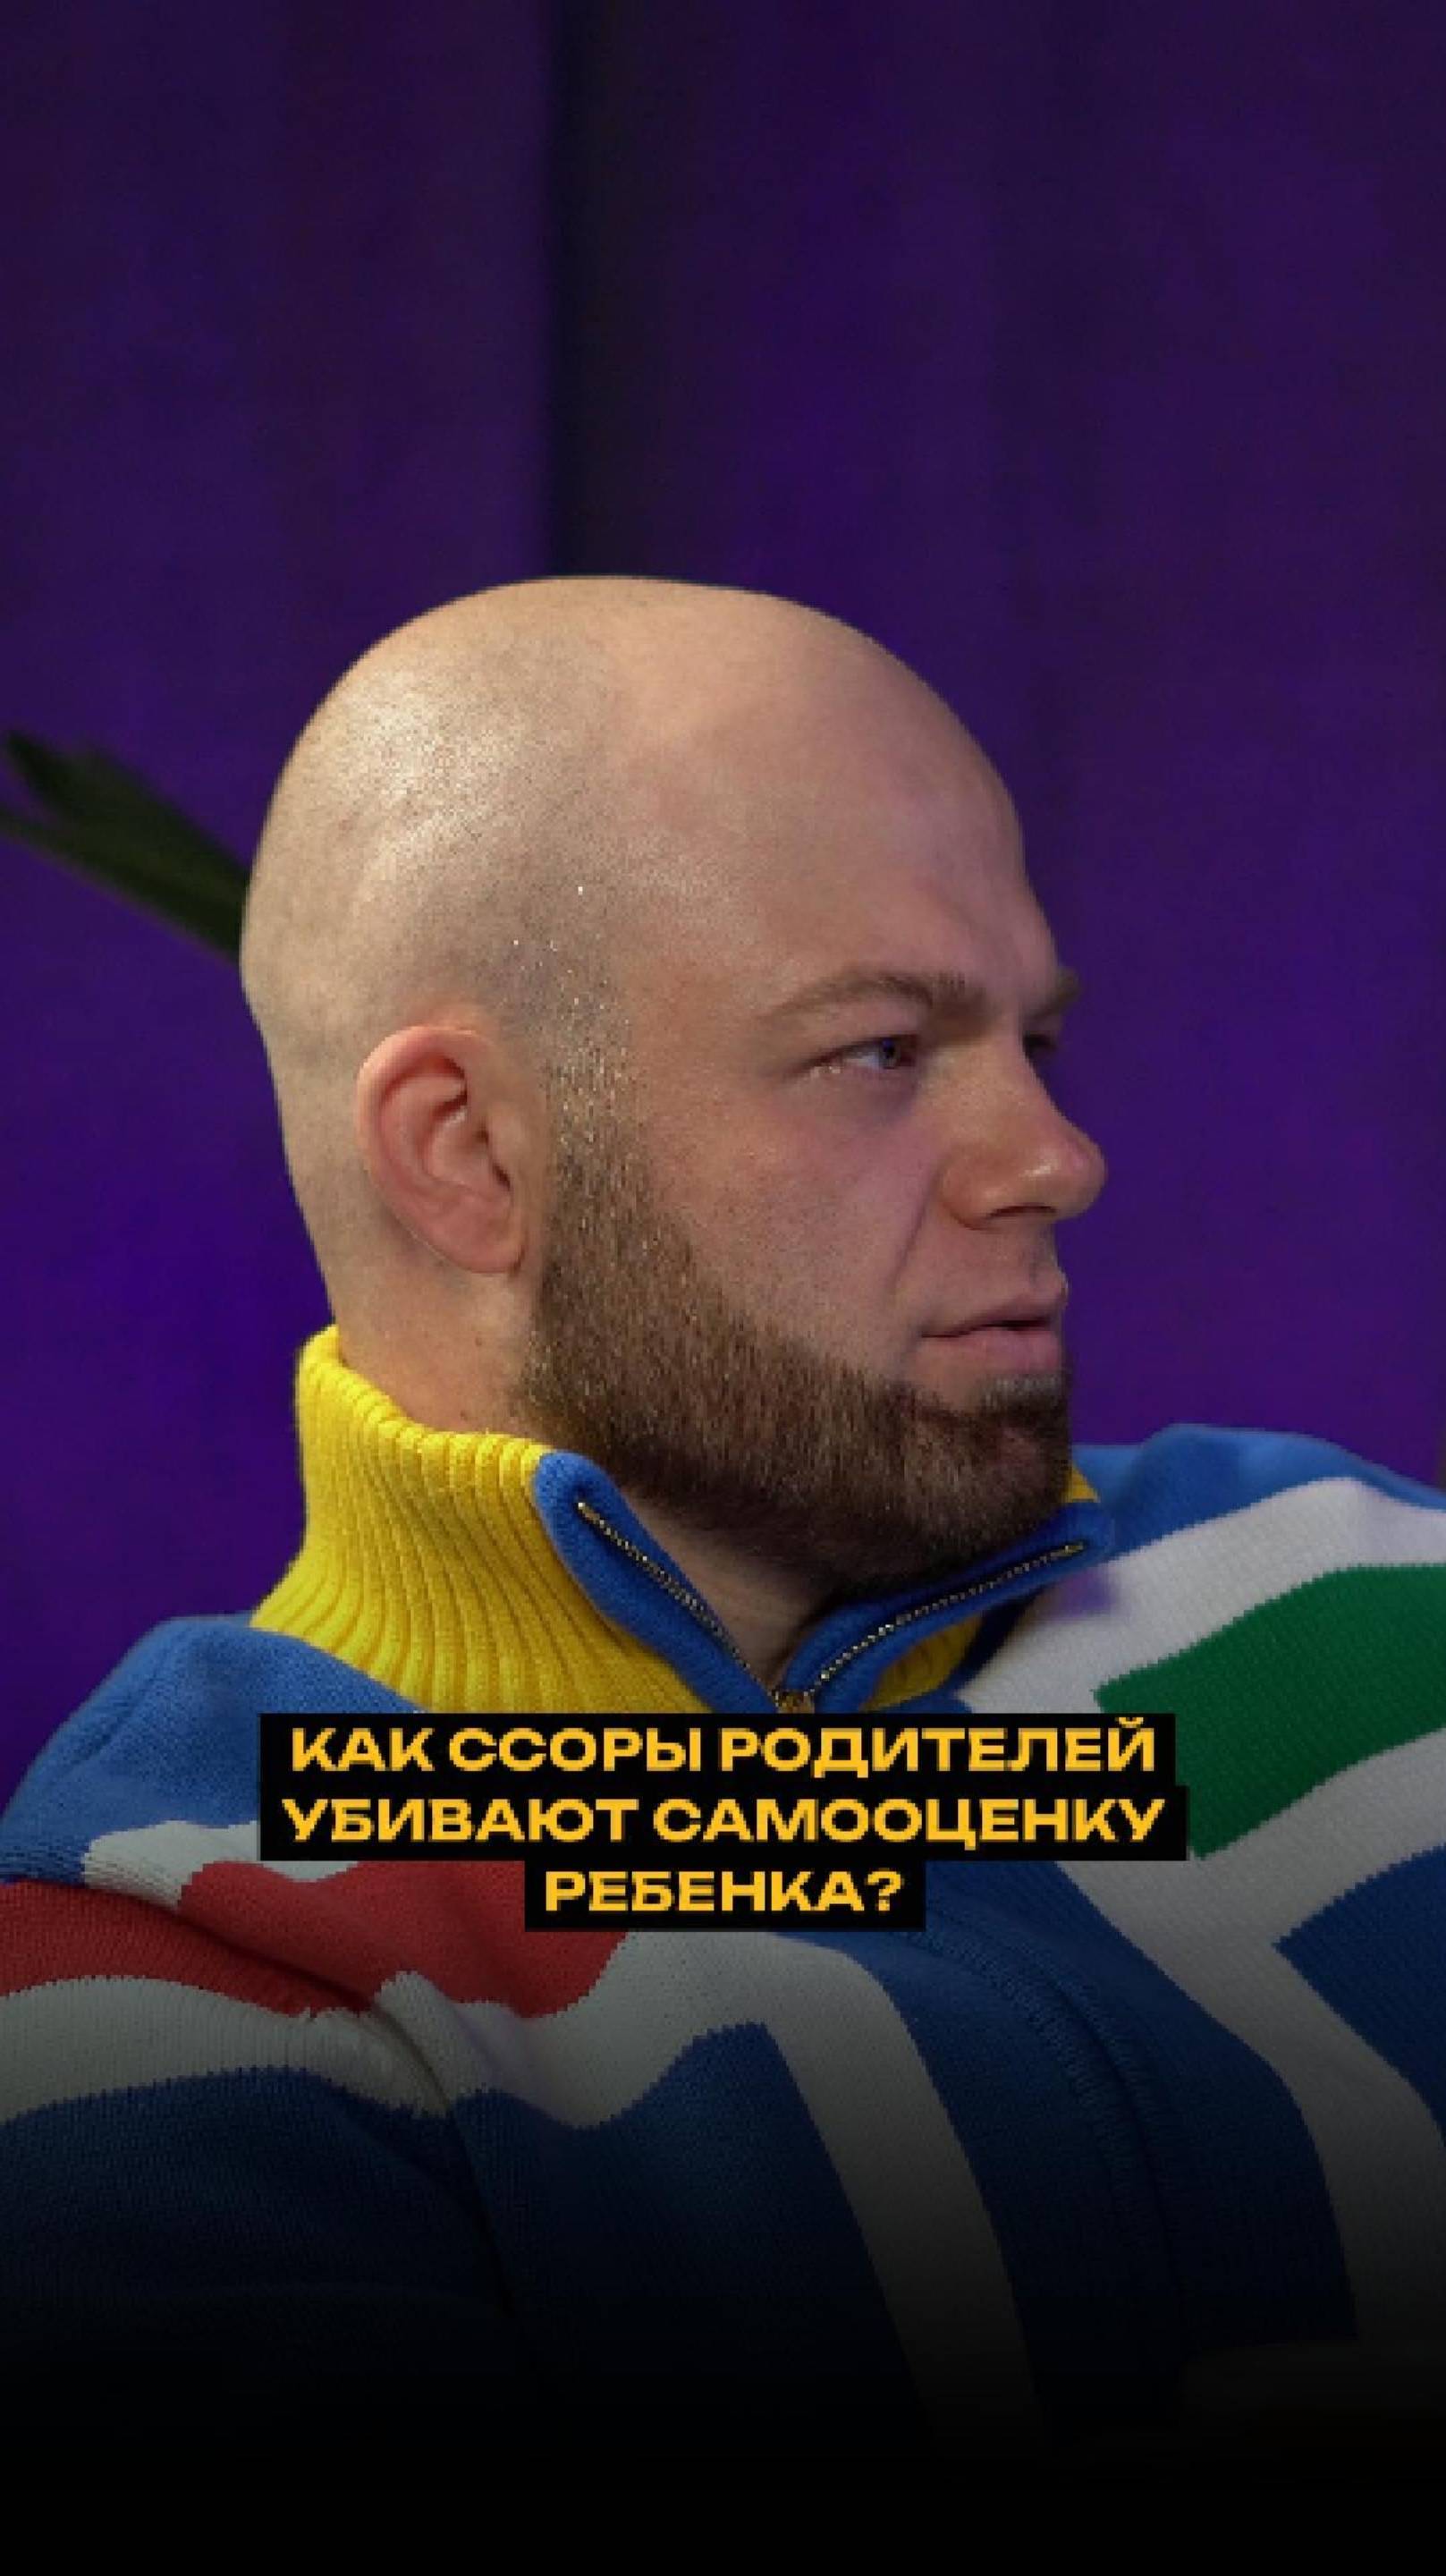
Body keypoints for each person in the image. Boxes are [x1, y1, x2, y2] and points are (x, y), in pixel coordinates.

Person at [2, 576, 1443, 2458]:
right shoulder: (174, 1972)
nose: (1056, 1160)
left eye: (1033, 1043)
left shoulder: (1352, 1580)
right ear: (469, 1152)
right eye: (879, 1052)